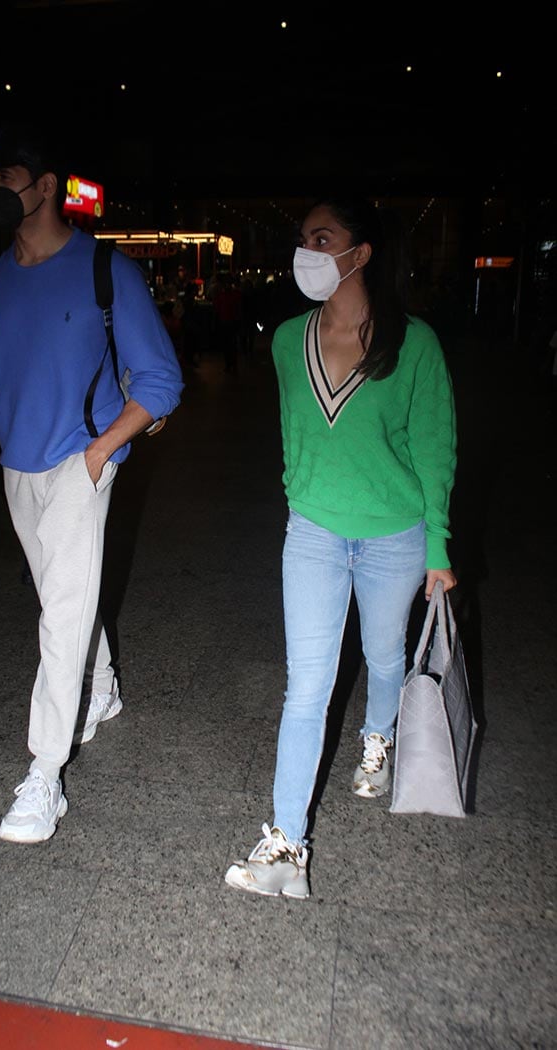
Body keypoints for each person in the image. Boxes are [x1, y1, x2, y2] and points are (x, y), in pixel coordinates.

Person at [0, 122, 184, 844]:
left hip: (83, 460)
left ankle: (44, 774)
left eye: (6, 178)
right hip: (18, 466)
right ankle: (102, 689)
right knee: (63, 596)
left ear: (46, 187)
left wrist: (103, 450)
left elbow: (162, 382)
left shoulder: (106, 270)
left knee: (58, 614)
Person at [224, 196, 457, 898]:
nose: (307, 252)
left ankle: (377, 738)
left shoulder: (413, 343)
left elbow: (434, 447)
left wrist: (438, 546)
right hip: (316, 533)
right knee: (307, 687)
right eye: (303, 239)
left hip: (394, 534)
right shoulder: (286, 337)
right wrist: (302, 502)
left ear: (360, 254)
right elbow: (295, 432)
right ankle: (286, 845)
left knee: (386, 654)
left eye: (322, 239)